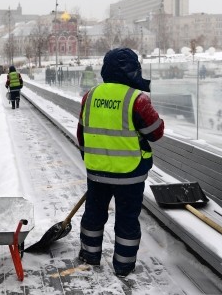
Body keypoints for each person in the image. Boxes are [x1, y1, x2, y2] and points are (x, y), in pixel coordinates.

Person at [77, 47, 164, 278]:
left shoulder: (90, 95)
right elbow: (156, 132)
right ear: (132, 70)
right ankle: (123, 266)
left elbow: (81, 133)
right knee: (127, 220)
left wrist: (91, 159)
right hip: (130, 174)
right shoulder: (137, 99)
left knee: (94, 214)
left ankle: (89, 255)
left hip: (97, 172)